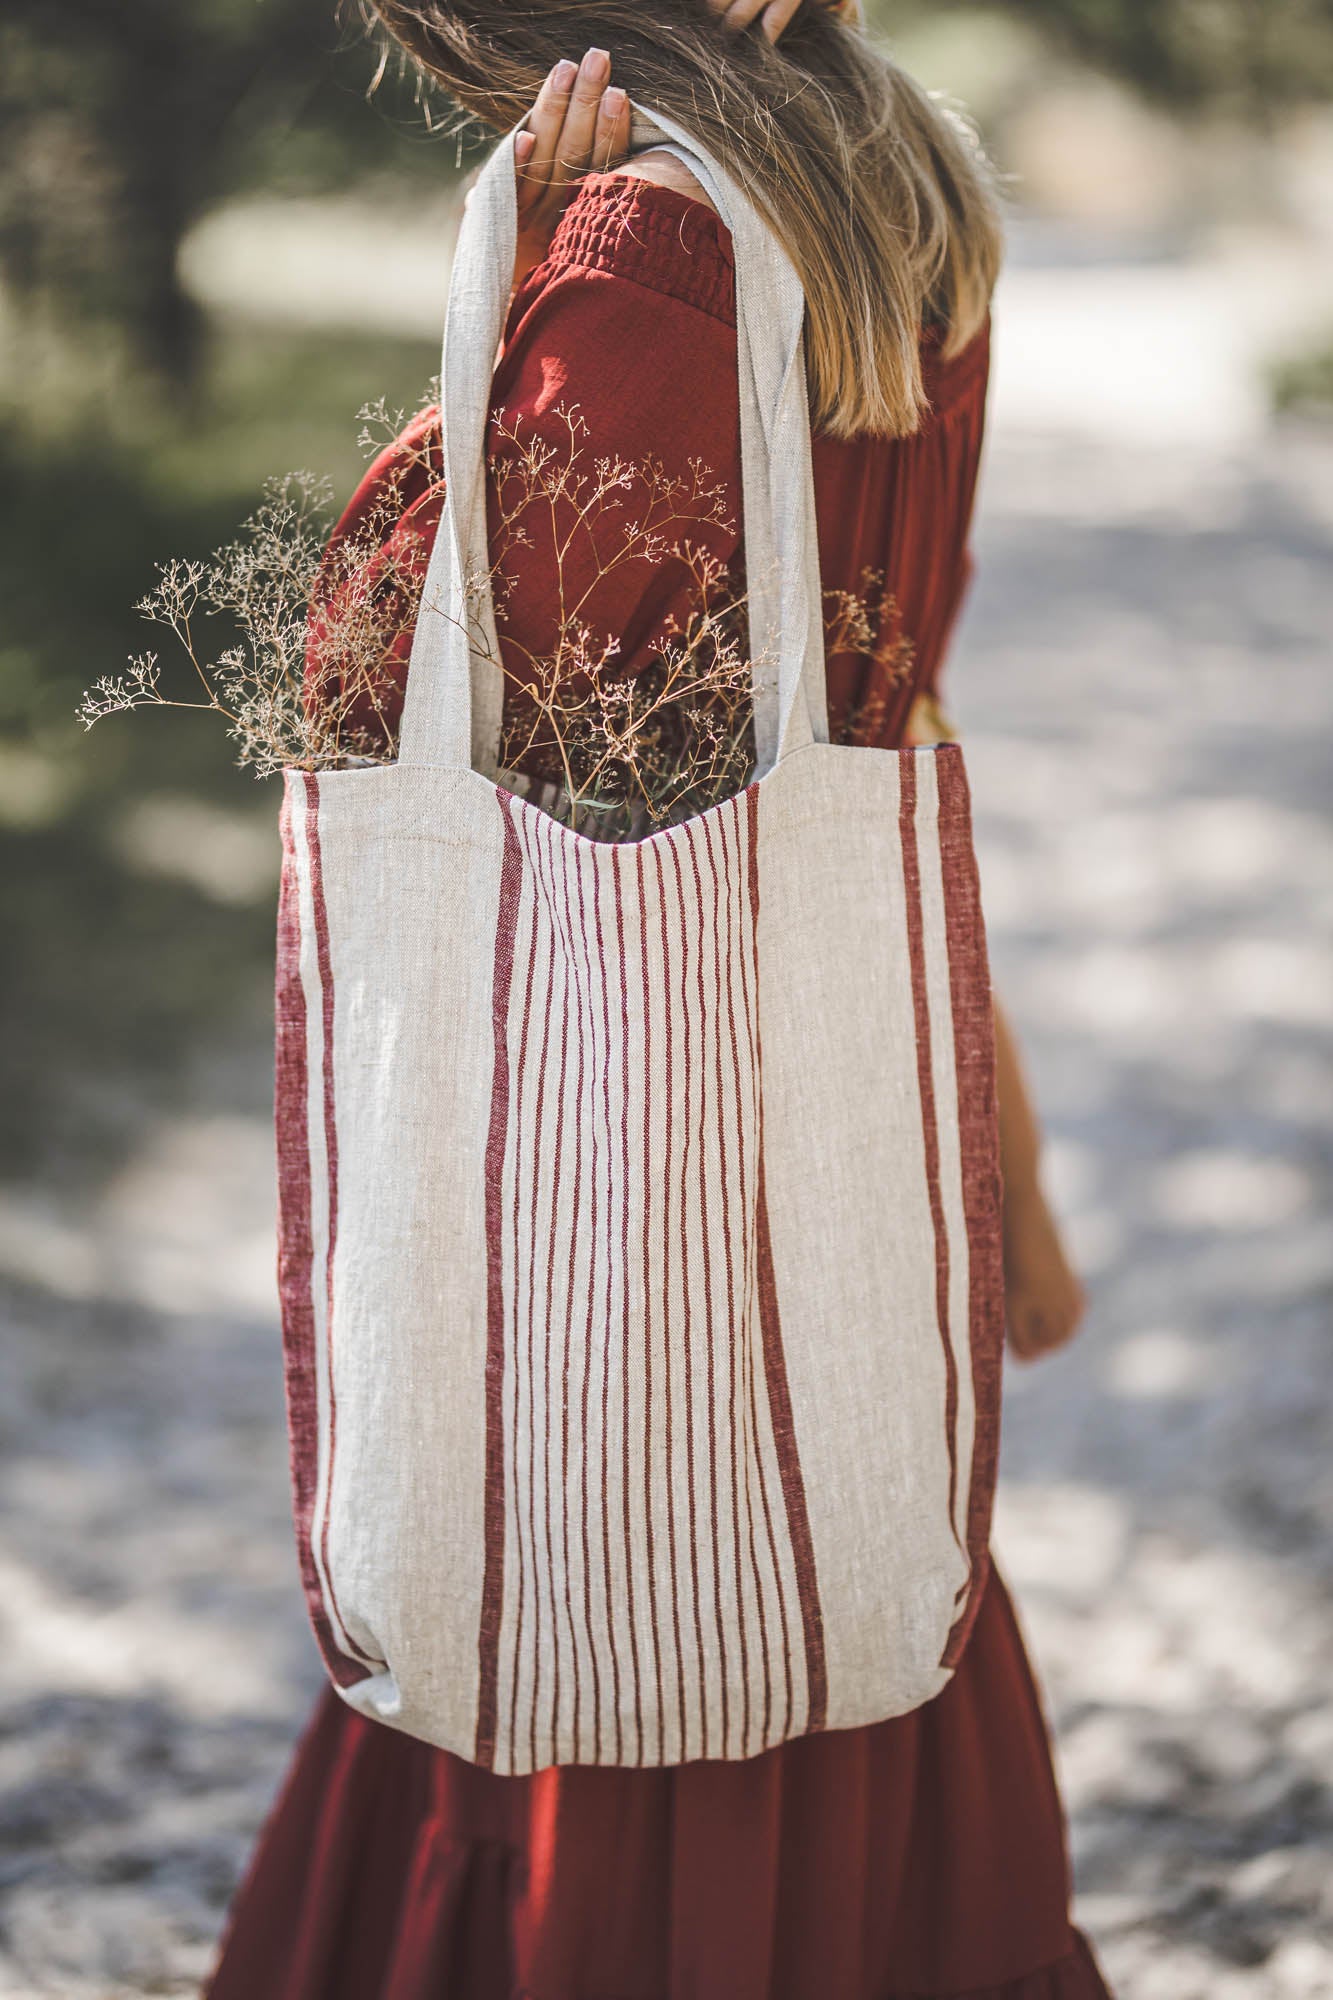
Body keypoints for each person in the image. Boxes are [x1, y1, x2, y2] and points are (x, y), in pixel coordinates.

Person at [207, 4, 1108, 1994]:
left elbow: (385, 687)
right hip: (832, 1129)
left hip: (613, 1192)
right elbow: (889, 726)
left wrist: (511, 285)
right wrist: (1009, 1180)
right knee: (834, 1552)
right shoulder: (896, 203)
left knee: (594, 1620)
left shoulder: (650, 260)